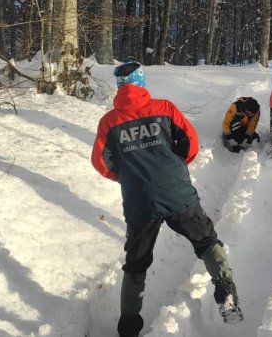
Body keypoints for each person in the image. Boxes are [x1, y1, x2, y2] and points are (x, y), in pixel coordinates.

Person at [91, 61, 243, 337]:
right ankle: (226, 291)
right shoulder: (164, 108)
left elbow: (102, 162)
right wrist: (175, 167)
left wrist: (127, 177)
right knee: (206, 240)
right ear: (141, 81)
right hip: (176, 191)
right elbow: (190, 143)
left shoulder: (109, 122)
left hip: (139, 201)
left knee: (136, 262)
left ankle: (128, 328)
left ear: (119, 86)